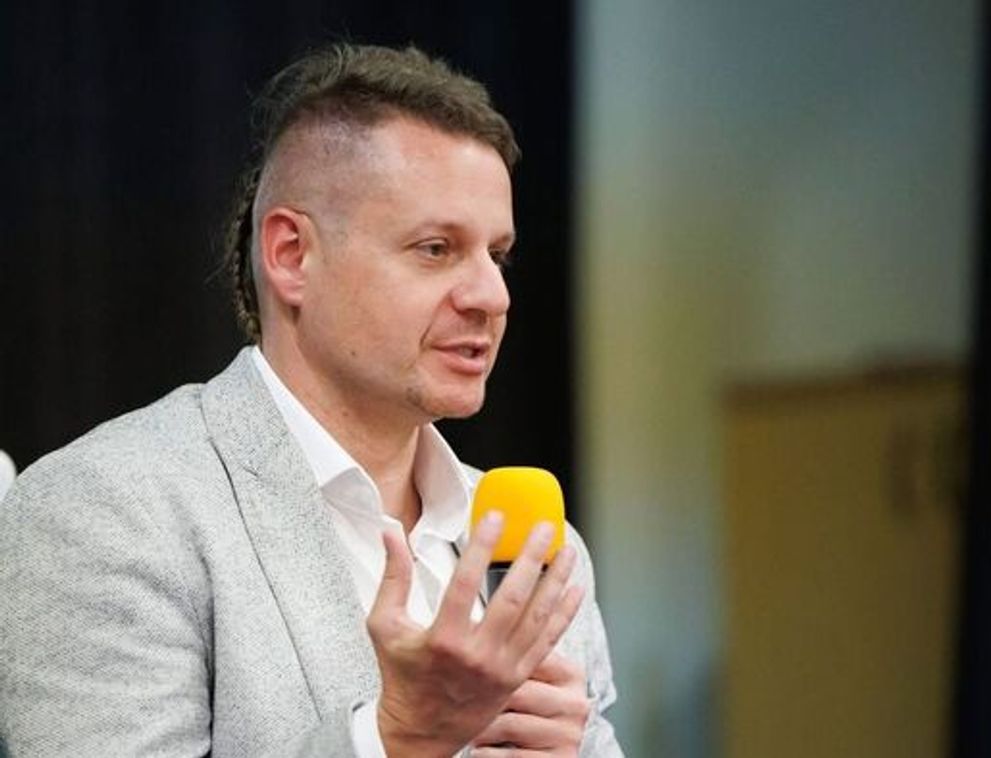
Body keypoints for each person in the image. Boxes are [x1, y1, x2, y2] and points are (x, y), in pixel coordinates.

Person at [0, 43, 622, 758]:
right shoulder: (102, 508)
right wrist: (393, 739)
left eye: (497, 254)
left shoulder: (536, 544)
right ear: (291, 255)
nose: (492, 295)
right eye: (435, 248)